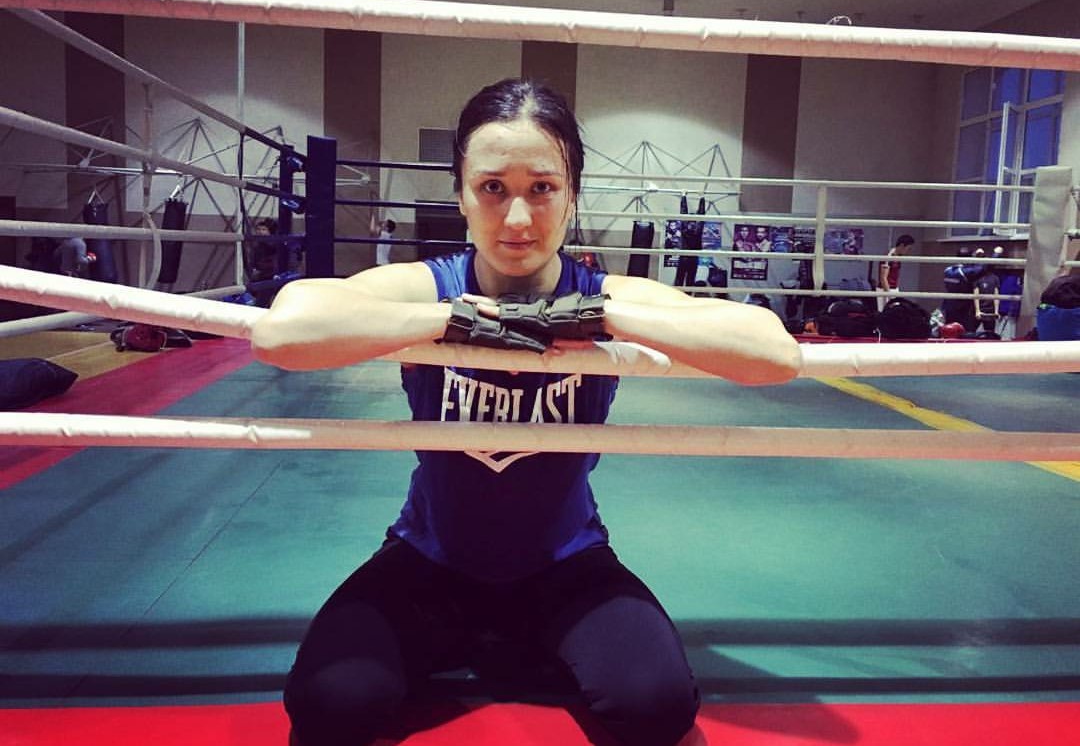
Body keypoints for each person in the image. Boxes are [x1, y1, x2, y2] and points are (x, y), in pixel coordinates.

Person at [252, 78, 803, 746]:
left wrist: (599, 316)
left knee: (656, 707)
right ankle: (494, 642)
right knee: (329, 703)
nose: (517, 218)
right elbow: (282, 331)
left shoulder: (601, 292)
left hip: (566, 566)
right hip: (431, 563)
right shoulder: (430, 286)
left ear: (572, 196)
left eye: (542, 188)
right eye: (492, 188)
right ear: (461, 194)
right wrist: (454, 320)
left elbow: (773, 351)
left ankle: (523, 639)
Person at [877, 234, 915, 311]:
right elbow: (883, 278)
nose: (908, 251)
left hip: (894, 288)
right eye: (908, 249)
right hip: (885, 289)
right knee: (885, 313)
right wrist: (889, 295)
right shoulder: (889, 256)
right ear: (902, 245)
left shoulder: (899, 257)